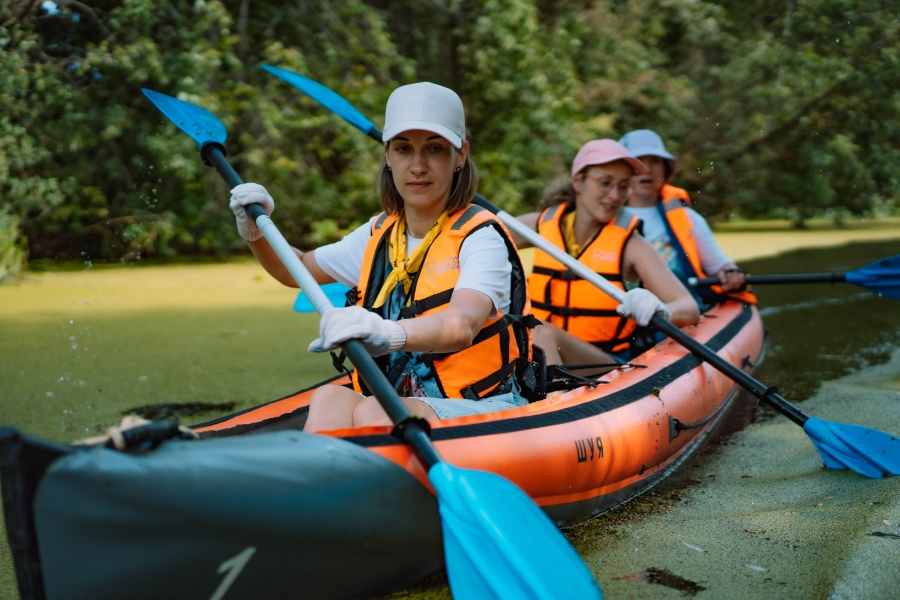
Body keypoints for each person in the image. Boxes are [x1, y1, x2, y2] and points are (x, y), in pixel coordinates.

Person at [229, 82, 532, 432]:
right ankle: (323, 484)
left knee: (375, 413)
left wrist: (388, 333)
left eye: (434, 149)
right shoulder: (379, 233)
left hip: (480, 404)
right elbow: (291, 270)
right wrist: (255, 229)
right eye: (404, 150)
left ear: (460, 155)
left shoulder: (481, 237)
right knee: (329, 399)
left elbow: (462, 325)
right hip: (396, 401)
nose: (417, 166)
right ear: (388, 156)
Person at [511, 139, 700, 365]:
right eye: (605, 183)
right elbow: (476, 241)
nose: (614, 196)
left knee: (540, 332)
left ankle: (556, 399)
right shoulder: (538, 226)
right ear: (578, 182)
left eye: (623, 186)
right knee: (527, 332)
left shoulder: (633, 245)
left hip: (604, 364)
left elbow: (689, 308)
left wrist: (662, 310)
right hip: (538, 353)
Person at [618, 129, 756, 307]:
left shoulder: (688, 218)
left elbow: (721, 266)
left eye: (655, 162)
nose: (647, 170)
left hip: (676, 307)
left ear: (665, 170)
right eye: (639, 163)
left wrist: (732, 274)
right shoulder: (606, 216)